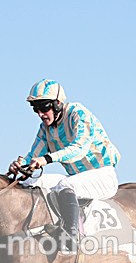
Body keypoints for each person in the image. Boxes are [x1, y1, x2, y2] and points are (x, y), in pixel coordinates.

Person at [8, 79, 121, 251]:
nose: (40, 114)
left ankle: (71, 236)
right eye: (35, 109)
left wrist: (46, 159)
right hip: (76, 178)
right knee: (31, 182)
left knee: (65, 185)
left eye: (44, 107)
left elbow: (79, 148)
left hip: (103, 176)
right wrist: (20, 165)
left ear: (58, 104)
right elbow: (33, 156)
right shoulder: (45, 128)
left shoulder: (78, 114)